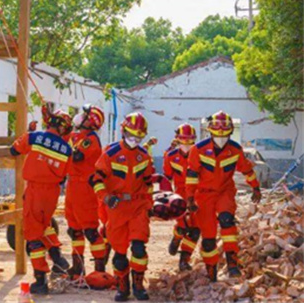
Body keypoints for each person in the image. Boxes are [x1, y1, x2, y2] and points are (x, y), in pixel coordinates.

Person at [186, 111, 262, 281]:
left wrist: (256, 187)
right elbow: (191, 174)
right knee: (208, 238)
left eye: (224, 132)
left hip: (224, 193)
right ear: (210, 131)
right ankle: (211, 270)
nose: (220, 136)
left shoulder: (235, 149)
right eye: (217, 132)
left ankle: (232, 265)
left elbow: (246, 169)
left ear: (230, 132)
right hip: (204, 195)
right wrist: (190, 198)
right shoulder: (198, 150)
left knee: (227, 221)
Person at [4, 106, 73, 294]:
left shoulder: (34, 137)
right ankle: (57, 256)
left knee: (33, 237)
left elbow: (14, 150)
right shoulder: (67, 149)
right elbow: (65, 173)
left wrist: (30, 132)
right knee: (44, 224)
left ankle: (40, 280)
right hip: (52, 193)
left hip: (34, 190)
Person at [90, 112, 154, 301]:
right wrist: (106, 197)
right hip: (116, 207)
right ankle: (123, 286)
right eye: (131, 135)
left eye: (139, 137)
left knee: (139, 248)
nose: (134, 140)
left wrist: (150, 204)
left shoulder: (144, 156)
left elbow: (149, 182)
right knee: (119, 255)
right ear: (123, 131)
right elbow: (96, 179)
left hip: (138, 206)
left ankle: (139, 286)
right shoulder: (110, 154)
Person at [65, 104, 108, 280]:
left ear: (90, 121)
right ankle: (78, 267)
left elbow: (77, 156)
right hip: (72, 185)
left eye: (84, 114)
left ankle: (100, 267)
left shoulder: (91, 139)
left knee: (90, 230)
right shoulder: (76, 136)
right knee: (74, 229)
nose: (80, 116)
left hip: (85, 187)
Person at [163, 123, 200, 272]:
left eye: (190, 141)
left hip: (197, 195)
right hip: (179, 196)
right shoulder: (170, 156)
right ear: (177, 140)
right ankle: (177, 237)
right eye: (183, 140)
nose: (186, 144)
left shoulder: (200, 155)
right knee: (183, 227)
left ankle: (184, 260)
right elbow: (166, 178)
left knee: (195, 230)